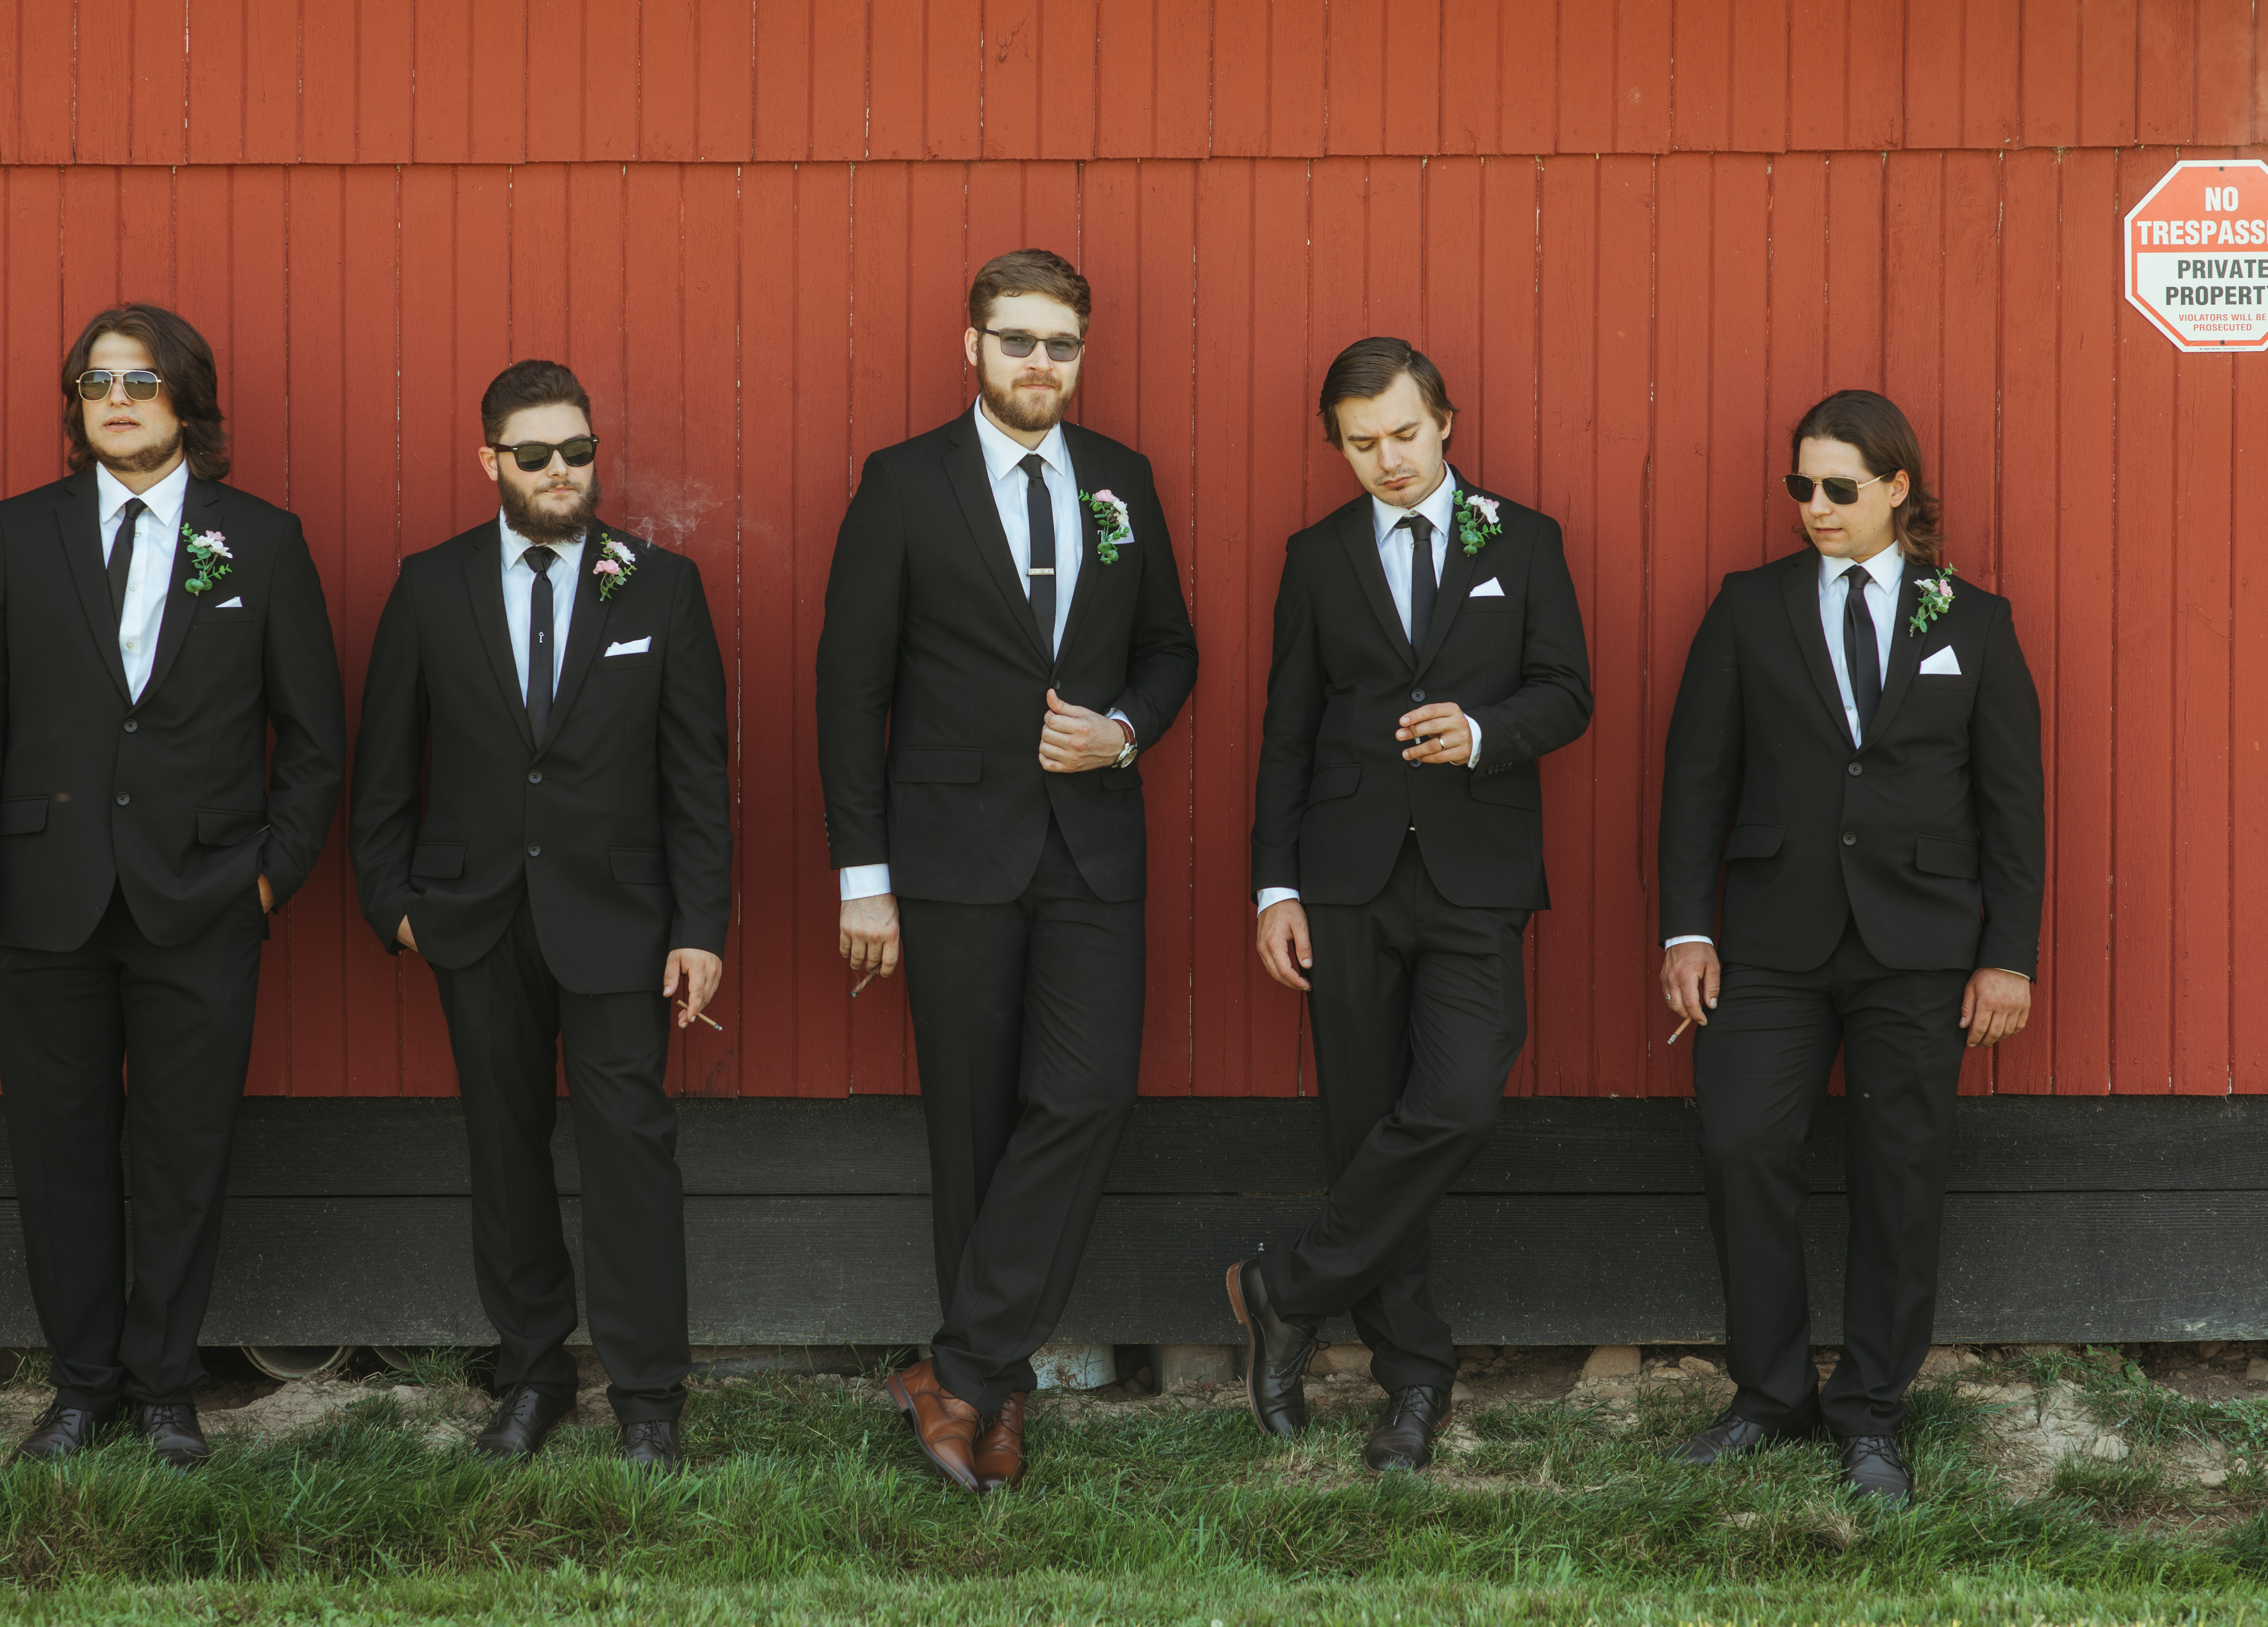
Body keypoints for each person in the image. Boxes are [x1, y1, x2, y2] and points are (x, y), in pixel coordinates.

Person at [0, 304, 347, 1469]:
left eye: (142, 380)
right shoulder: (20, 534)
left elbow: (315, 742)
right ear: (77, 404)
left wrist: (267, 882)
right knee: (56, 1155)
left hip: (204, 904)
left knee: (182, 1156)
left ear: (187, 401)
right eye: (97, 381)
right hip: (42, 902)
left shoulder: (261, 543)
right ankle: (81, 1391)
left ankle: (165, 1389)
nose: (117, 399)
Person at [815, 249, 1197, 1493]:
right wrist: (862, 877)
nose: (1042, 361)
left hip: (1093, 846)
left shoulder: (1123, 480)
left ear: (1083, 355)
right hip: (950, 854)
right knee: (972, 1126)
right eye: (1019, 339)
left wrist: (1123, 731)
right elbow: (850, 689)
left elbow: (1171, 649)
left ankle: (961, 1368)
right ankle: (998, 1392)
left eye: (1062, 344)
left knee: (1089, 1096)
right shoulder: (904, 483)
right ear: (972, 346)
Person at [1657, 388, 2043, 1504]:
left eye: (1838, 487)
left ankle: (1872, 1412)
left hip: (1920, 948)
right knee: (1741, 1143)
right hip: (1770, 941)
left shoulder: (1975, 623)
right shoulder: (1748, 607)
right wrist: (1688, 928)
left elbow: (2014, 808)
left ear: (1896, 488)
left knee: (1899, 1177)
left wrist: (2008, 955)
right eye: (1802, 487)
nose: (1816, 507)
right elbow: (1695, 781)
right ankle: (1770, 1394)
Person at [350, 360, 730, 1470]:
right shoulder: (431, 587)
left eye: (578, 451)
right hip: (473, 920)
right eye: (535, 454)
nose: (561, 471)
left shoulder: (661, 587)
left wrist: (699, 926)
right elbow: (385, 768)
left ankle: (649, 1397)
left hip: (621, 921)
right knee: (504, 1150)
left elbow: (698, 779)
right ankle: (532, 1374)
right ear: (492, 462)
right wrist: (394, 906)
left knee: (632, 1153)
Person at [1224, 337, 1593, 1472]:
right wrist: (1276, 887)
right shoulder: (1317, 556)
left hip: (1477, 875)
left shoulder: (1523, 541)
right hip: (1344, 878)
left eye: (1403, 434)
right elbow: (1287, 729)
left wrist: (1484, 732)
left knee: (1458, 1103)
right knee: (1363, 1128)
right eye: (1361, 443)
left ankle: (1285, 1290)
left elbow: (1568, 693)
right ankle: (1413, 1382)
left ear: (1445, 423)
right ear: (1338, 446)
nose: (1386, 460)